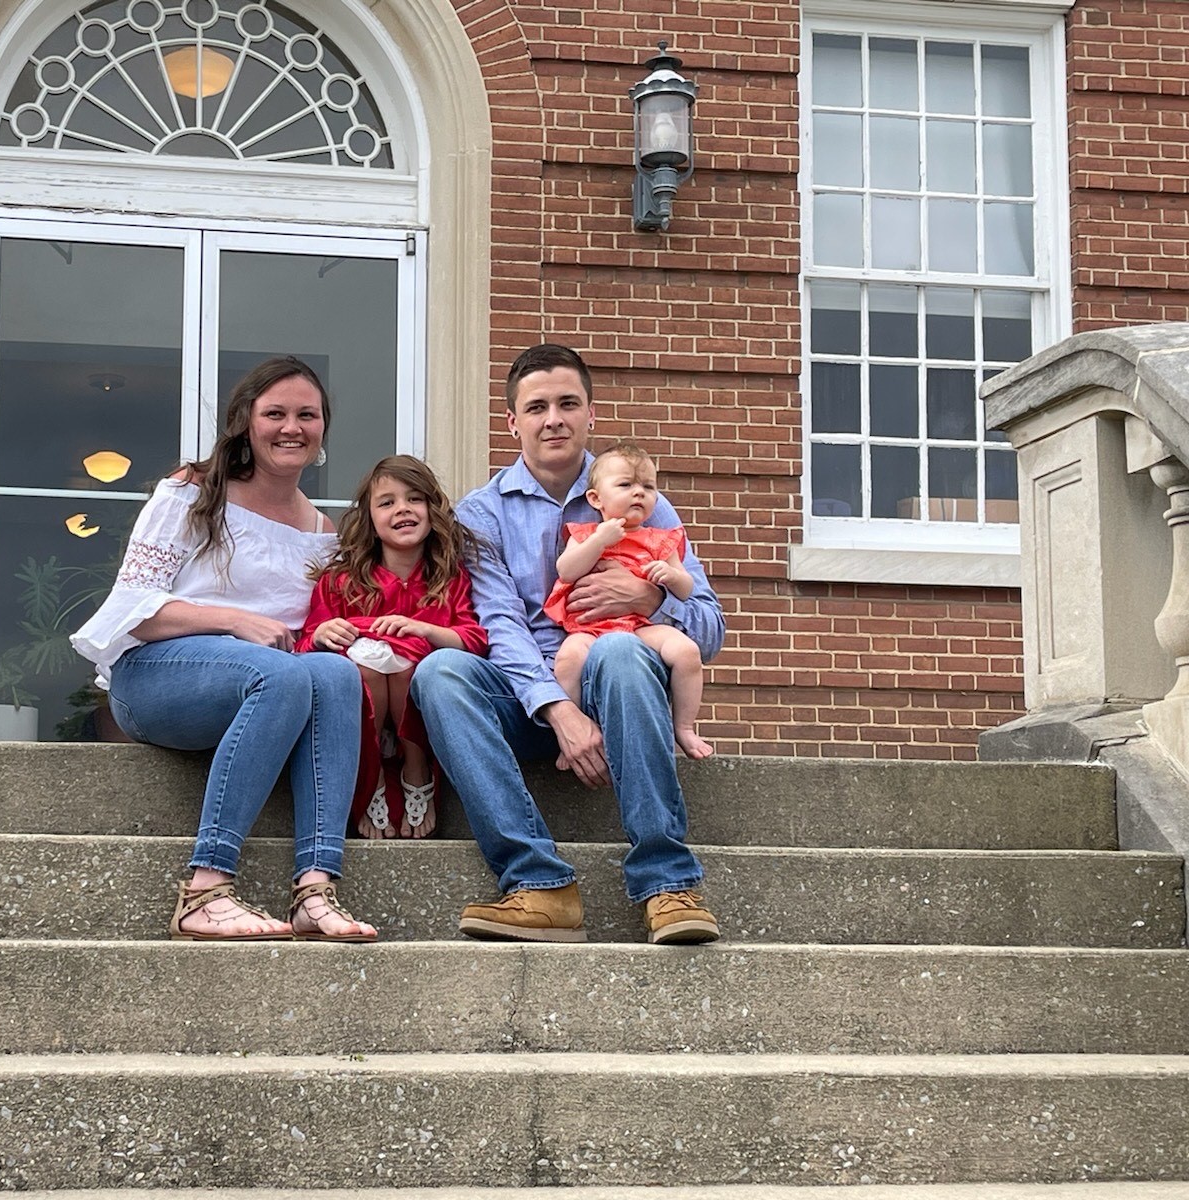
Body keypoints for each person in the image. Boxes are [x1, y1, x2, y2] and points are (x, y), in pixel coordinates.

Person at [410, 344, 725, 945]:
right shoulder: (482, 513)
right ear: (513, 422)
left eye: (567, 403)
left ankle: (666, 883)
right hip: (530, 699)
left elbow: (709, 630)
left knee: (618, 652)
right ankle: (538, 884)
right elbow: (500, 626)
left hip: (623, 689)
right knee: (442, 671)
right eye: (537, 407)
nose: (552, 417)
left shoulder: (640, 498)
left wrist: (648, 601)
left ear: (589, 413)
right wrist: (560, 712)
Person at [71, 356, 377, 944]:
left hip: (261, 683)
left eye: (307, 415)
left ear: (322, 431)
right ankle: (205, 891)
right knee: (283, 675)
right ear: (245, 422)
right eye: (276, 414)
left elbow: (308, 635)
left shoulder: (323, 532)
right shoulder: (193, 494)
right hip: (157, 677)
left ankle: (315, 888)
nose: (292, 427)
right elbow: (133, 608)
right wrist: (236, 621)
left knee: (334, 675)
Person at [297, 455, 487, 840]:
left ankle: (416, 769)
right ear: (369, 519)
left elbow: (473, 640)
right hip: (364, 708)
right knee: (364, 667)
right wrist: (323, 634)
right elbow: (306, 644)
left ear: (432, 511)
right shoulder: (340, 581)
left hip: (416, 704)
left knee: (406, 666)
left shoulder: (449, 579)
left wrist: (424, 629)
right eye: (387, 502)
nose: (402, 509)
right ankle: (371, 781)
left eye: (415, 499)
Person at [544, 441, 714, 759]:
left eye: (648, 487)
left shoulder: (661, 539)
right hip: (590, 630)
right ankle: (571, 736)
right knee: (566, 660)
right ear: (595, 498)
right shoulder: (584, 534)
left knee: (687, 652)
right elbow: (566, 570)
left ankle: (685, 727)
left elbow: (687, 588)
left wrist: (670, 575)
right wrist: (598, 541)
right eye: (626, 485)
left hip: (639, 628)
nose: (639, 493)